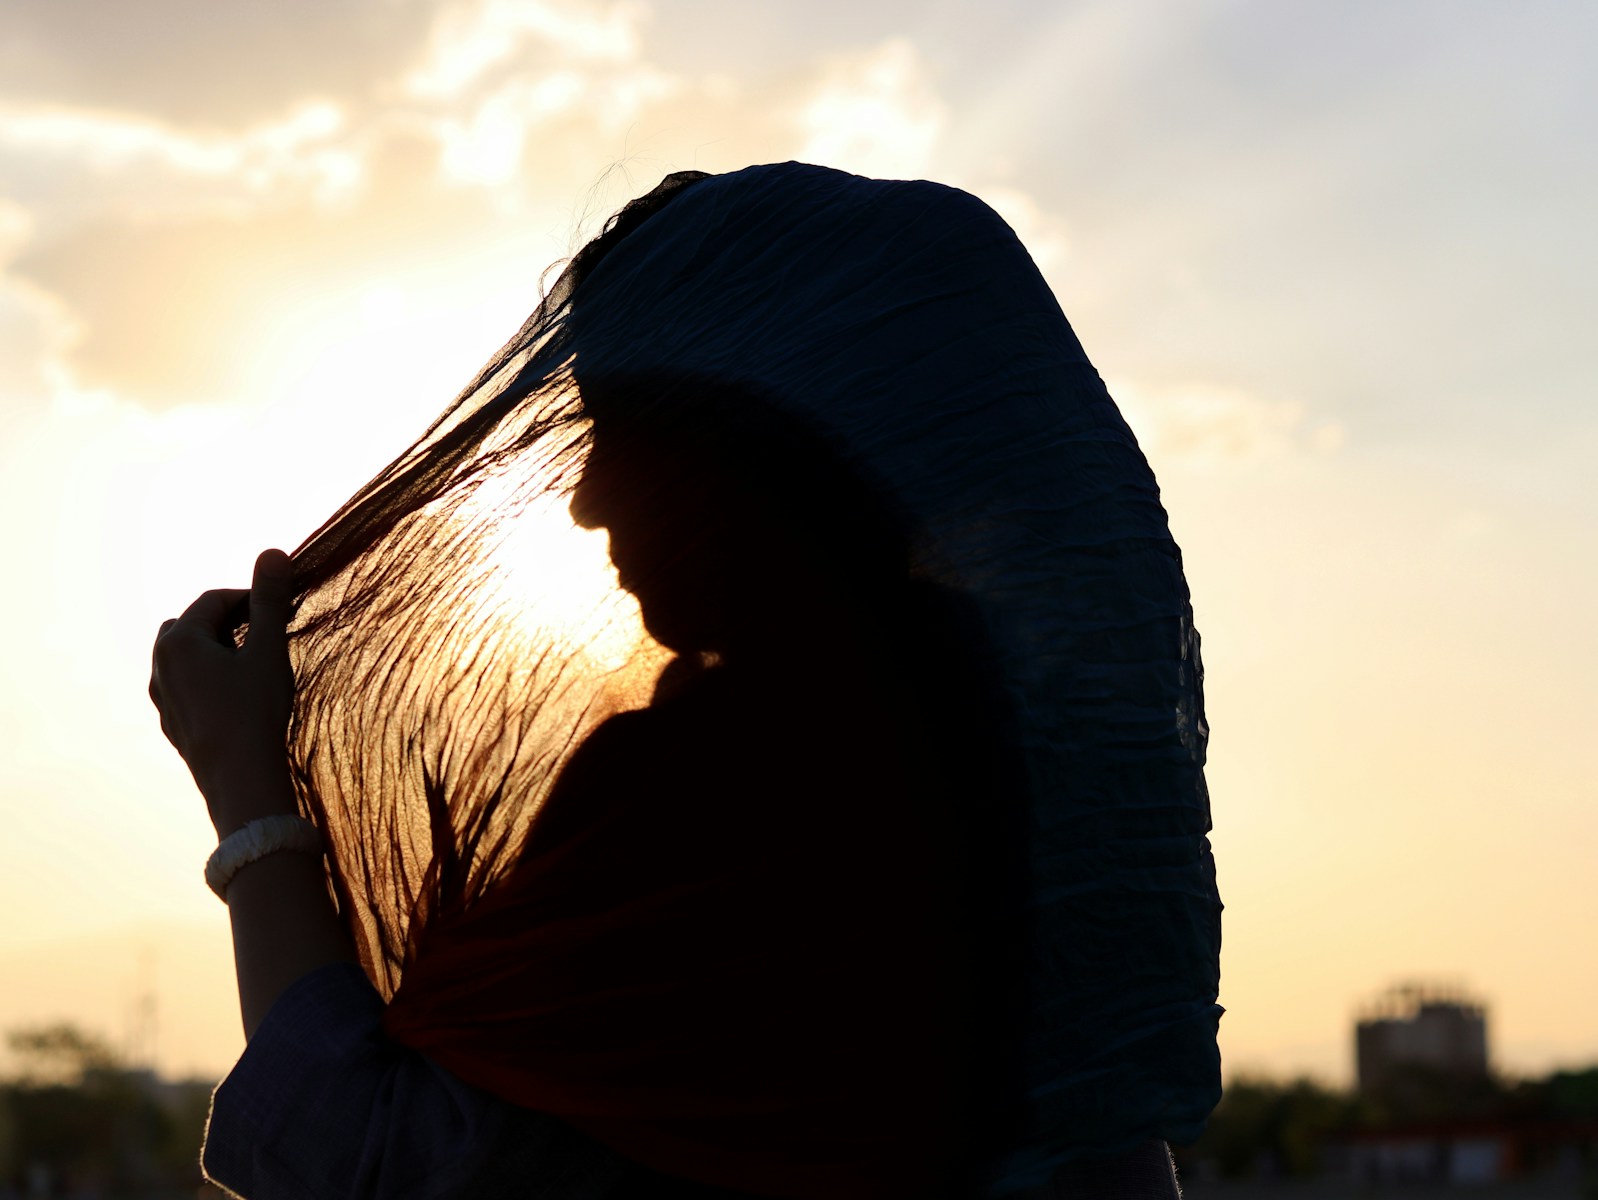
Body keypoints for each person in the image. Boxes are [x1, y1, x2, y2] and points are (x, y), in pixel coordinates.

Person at [149, 162, 1222, 1198]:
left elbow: (369, 1157)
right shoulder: (1045, 803)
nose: (585, 505)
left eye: (617, 438)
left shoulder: (719, 801)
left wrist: (247, 794)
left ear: (746, 460)